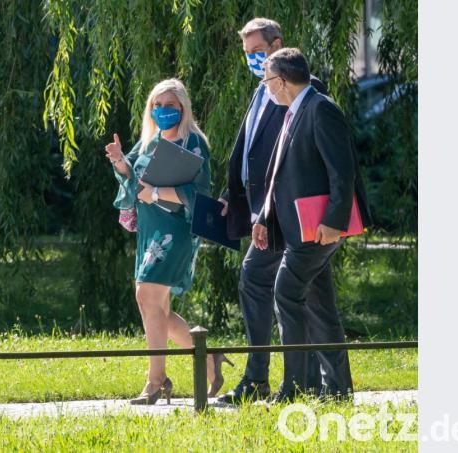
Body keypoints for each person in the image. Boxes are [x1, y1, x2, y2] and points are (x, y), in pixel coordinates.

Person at [216, 18, 327, 405]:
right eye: (247, 55)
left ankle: (266, 378)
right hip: (263, 211)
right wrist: (236, 196)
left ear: (277, 43)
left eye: (257, 52)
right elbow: (252, 150)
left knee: (263, 282)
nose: (252, 61)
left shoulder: (301, 92)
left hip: (287, 215)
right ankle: (305, 381)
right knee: (306, 295)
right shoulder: (262, 91)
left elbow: (296, 161)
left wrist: (269, 210)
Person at [252, 48, 372, 403]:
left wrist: (334, 222)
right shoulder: (294, 111)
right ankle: (336, 390)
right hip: (298, 229)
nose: (266, 87)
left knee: (285, 292)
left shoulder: (321, 108)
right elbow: (280, 176)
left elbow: (343, 171)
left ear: (281, 80)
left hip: (319, 230)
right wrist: (264, 218)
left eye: (267, 80)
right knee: (320, 307)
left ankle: (295, 387)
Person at [104, 78, 233, 405]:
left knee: (146, 293)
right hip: (150, 227)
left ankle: (156, 380)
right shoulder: (149, 140)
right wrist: (120, 160)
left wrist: (157, 192)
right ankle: (207, 357)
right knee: (155, 305)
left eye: (169, 106)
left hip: (176, 230)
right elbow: (131, 174)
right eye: (156, 106)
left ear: (182, 108)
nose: (162, 111)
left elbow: (201, 191)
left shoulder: (194, 142)